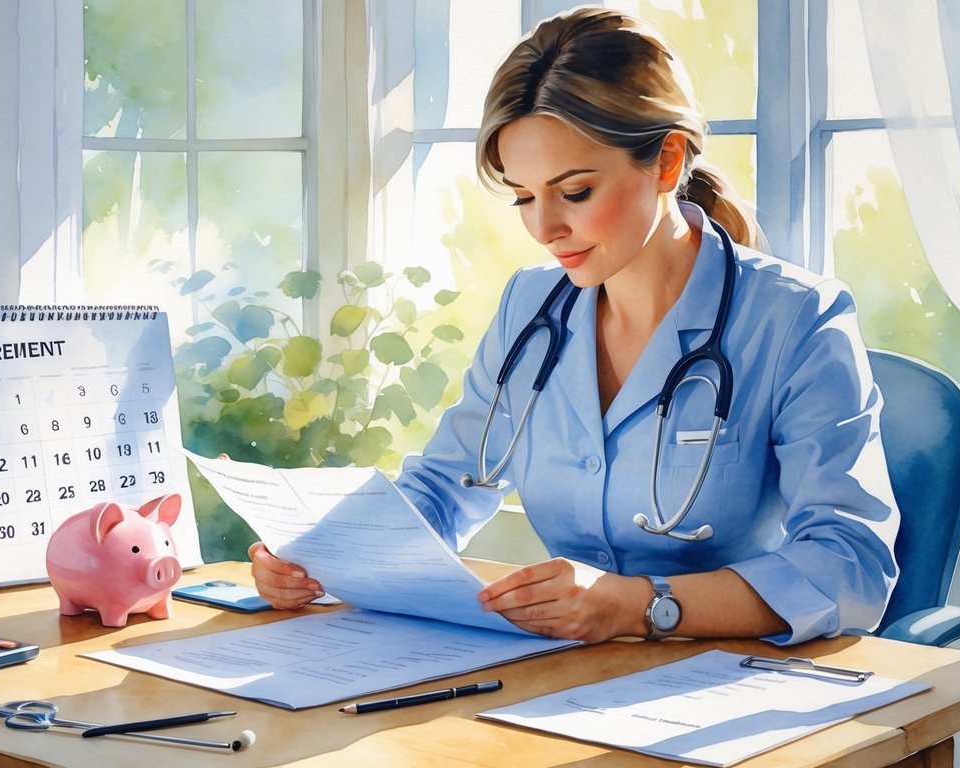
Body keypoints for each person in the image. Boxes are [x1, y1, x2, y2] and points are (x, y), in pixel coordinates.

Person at [250, 6, 899, 646]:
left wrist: (639, 606)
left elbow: (851, 567)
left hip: (727, 687)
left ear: (667, 161)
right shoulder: (532, 307)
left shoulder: (796, 318)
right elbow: (446, 488)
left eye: (575, 191)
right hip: (560, 674)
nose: (543, 229)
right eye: (524, 197)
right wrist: (322, 556)